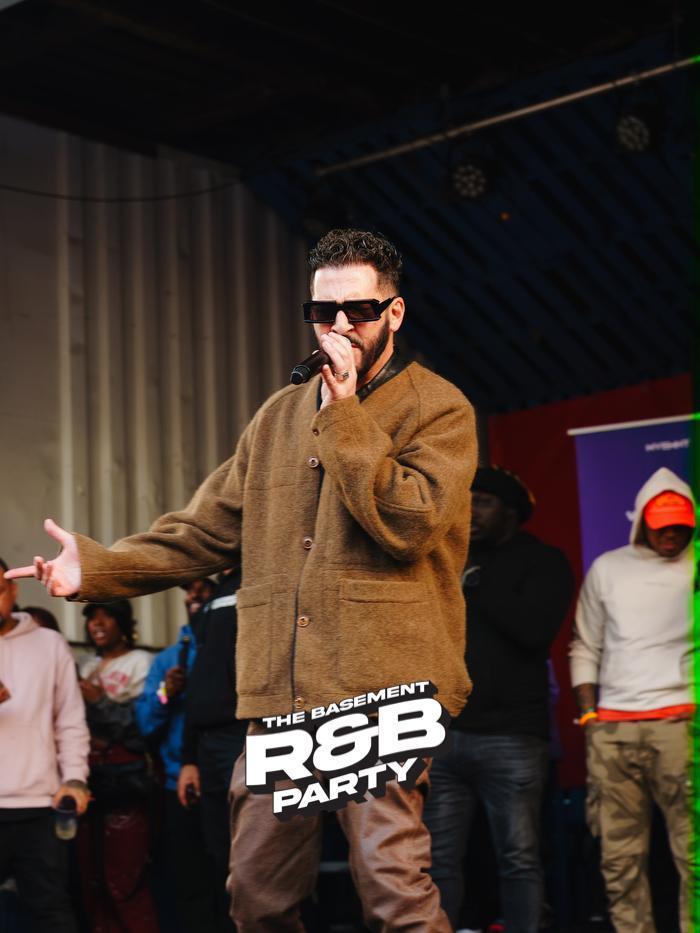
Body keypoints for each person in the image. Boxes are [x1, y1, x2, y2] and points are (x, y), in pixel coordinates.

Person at [8, 227, 477, 932]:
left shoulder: (438, 408)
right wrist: (100, 566)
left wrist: (346, 416)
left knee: (392, 890)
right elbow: (203, 530)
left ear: (395, 312)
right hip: (280, 694)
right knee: (256, 893)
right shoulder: (277, 417)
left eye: (359, 309)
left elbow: (408, 522)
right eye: (323, 311)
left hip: (382, 690)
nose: (340, 326)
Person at [424, 465, 574, 933]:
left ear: (511, 512)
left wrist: (477, 583)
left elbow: (535, 631)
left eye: (484, 502)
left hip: (512, 737)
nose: (470, 511)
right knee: (438, 859)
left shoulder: (543, 561)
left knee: (519, 856)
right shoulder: (448, 561)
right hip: (444, 733)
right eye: (466, 501)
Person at [569, 466, 696, 933]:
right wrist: (589, 713)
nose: (671, 535)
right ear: (642, 520)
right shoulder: (609, 568)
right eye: (662, 526)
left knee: (695, 855)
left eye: (681, 526)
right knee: (619, 858)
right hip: (614, 729)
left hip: (683, 727)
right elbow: (585, 645)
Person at [0, 558, 90, 932]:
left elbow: (70, 720)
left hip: (38, 804)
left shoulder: (49, 644)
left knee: (51, 911)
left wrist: (75, 778)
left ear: (13, 591)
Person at [135, 577, 222, 933]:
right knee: (189, 880)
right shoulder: (168, 659)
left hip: (225, 779)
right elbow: (144, 722)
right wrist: (165, 693)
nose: (194, 594)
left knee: (231, 876)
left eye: (204, 586)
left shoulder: (234, 647)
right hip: (178, 785)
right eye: (188, 589)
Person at [77, 599, 159, 933]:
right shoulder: (85, 665)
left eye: (106, 616)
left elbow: (141, 727)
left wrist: (99, 702)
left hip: (125, 782)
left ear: (123, 623)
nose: (96, 623)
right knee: (89, 879)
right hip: (86, 780)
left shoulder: (142, 663)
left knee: (124, 877)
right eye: (92, 618)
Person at [176, 565, 246, 931]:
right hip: (209, 745)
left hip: (249, 735)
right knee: (220, 858)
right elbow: (200, 680)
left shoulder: (260, 579)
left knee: (259, 860)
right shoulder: (217, 595)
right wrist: (190, 759)